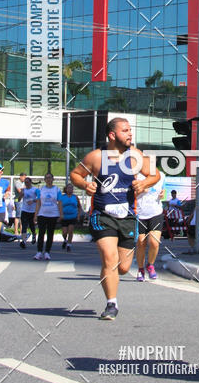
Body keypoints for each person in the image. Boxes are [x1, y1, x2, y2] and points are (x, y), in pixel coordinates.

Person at [69, 117, 160, 321]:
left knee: (123, 267)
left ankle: (112, 279)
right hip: (103, 216)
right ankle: (111, 304)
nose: (130, 134)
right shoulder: (96, 158)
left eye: (130, 130)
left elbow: (156, 175)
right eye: (125, 130)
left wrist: (144, 184)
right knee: (109, 259)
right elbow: (75, 175)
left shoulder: (135, 156)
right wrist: (85, 185)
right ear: (112, 135)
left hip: (127, 217)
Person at [136, 173, 165, 281]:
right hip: (139, 213)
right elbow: (129, 195)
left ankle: (150, 265)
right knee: (141, 242)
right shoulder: (136, 175)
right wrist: (140, 191)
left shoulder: (161, 175)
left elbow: (163, 190)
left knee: (154, 242)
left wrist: (163, 193)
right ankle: (140, 269)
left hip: (155, 213)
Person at [33, 173, 63, 260]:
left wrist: (61, 214)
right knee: (41, 233)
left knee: (50, 233)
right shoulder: (41, 189)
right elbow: (38, 203)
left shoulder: (57, 189)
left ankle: (47, 252)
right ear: (44, 180)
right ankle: (39, 252)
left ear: (53, 179)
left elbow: (60, 202)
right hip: (42, 213)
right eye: (46, 178)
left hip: (53, 214)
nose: (48, 179)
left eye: (50, 178)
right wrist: (36, 215)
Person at [60, 182, 82, 251]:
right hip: (64, 216)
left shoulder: (75, 197)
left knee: (70, 231)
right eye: (68, 188)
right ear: (66, 189)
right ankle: (65, 240)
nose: (70, 189)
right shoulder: (62, 197)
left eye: (71, 188)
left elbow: (79, 206)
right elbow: (59, 206)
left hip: (73, 216)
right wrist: (60, 215)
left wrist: (78, 215)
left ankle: (69, 244)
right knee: (64, 232)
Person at [19, 177, 38, 248]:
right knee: (24, 226)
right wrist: (21, 194)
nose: (26, 184)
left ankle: (34, 235)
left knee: (32, 225)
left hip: (32, 211)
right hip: (25, 210)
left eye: (27, 182)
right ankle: (23, 241)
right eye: (25, 182)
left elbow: (39, 198)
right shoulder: (24, 190)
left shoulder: (35, 190)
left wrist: (33, 201)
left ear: (30, 182)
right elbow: (19, 199)